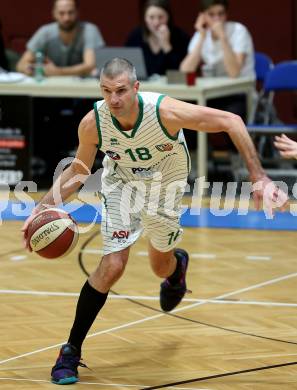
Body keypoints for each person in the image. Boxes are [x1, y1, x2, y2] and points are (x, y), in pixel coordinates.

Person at [22, 58, 287, 385]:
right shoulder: (94, 123)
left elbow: (231, 120)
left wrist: (258, 176)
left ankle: (175, 270)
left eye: (121, 90)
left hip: (166, 185)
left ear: (136, 88)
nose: (114, 99)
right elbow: (78, 171)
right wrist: (40, 210)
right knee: (112, 265)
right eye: (106, 91)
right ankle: (71, 350)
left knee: (159, 265)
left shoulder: (165, 112)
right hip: (120, 184)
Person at [180, 0, 255, 121]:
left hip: (239, 94)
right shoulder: (201, 34)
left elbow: (234, 72)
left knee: (231, 116)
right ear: (203, 16)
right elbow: (185, 71)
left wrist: (223, 37)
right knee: (186, 113)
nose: (217, 19)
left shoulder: (239, 31)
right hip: (213, 94)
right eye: (211, 14)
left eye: (221, 14)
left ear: (226, 14)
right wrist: (202, 37)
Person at [16, 0, 104, 77]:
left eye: (70, 12)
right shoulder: (45, 32)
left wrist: (57, 71)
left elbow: (90, 66)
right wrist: (30, 69)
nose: (66, 18)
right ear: (54, 13)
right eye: (61, 13)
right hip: (50, 89)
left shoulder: (89, 30)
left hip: (80, 89)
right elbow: (21, 64)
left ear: (77, 12)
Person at [126, 0, 189, 77]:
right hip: (143, 86)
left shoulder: (180, 36)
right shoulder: (136, 36)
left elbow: (181, 73)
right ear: (145, 18)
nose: (156, 22)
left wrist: (166, 45)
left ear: (168, 17)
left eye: (161, 17)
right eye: (151, 17)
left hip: (171, 87)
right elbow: (126, 67)